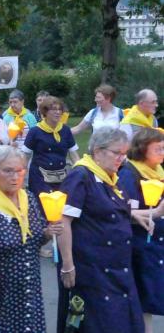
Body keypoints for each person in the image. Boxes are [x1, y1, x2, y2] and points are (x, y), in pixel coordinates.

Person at [0, 146, 63, 333]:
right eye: (8, 171)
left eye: (20, 170)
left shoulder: (28, 199)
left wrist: (49, 232)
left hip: (28, 292)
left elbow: (35, 240)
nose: (15, 177)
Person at [57, 127, 146, 333]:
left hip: (119, 268)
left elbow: (111, 209)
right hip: (93, 270)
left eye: (124, 154)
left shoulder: (111, 178)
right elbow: (63, 220)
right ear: (98, 151)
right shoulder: (81, 176)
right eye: (117, 153)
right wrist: (68, 265)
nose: (122, 159)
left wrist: (143, 215)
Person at [118, 128, 164, 333]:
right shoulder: (130, 174)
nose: (163, 153)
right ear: (142, 149)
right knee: (145, 297)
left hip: (158, 242)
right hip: (142, 245)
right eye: (158, 149)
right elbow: (125, 211)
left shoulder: (158, 171)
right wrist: (157, 212)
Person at [23, 96, 79, 199]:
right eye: (54, 109)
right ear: (45, 112)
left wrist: (81, 171)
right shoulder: (35, 131)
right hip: (39, 178)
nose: (58, 112)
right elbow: (24, 158)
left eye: (59, 109)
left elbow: (74, 156)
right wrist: (21, 179)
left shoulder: (66, 131)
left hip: (61, 178)